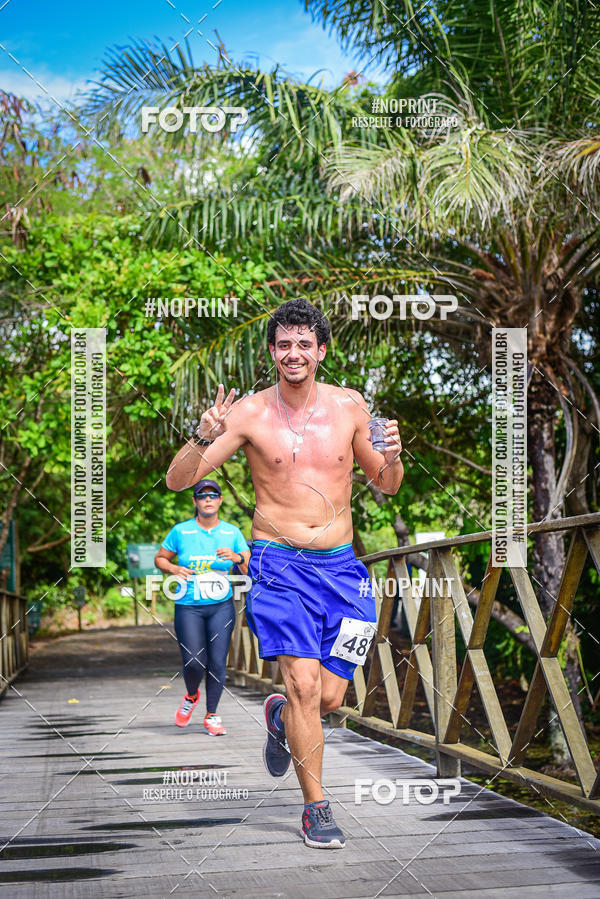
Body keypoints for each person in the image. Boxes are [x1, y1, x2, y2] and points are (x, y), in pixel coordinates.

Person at [165, 298, 403, 846]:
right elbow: (180, 481)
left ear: (320, 351)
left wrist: (393, 453)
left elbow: (387, 485)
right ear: (272, 351)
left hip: (343, 571)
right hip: (278, 564)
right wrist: (202, 435)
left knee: (328, 699)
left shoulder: (350, 407)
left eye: (304, 343)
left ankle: (279, 721)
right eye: (283, 344)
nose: (293, 353)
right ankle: (316, 808)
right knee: (301, 682)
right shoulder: (248, 414)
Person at [155, 479, 250, 736]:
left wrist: (236, 557)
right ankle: (191, 695)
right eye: (202, 495)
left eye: (213, 495)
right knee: (194, 661)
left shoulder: (232, 532)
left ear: (220, 500)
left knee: (218, 662)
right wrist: (174, 568)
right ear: (196, 501)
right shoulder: (180, 531)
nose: (208, 499)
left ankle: (212, 715)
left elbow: (247, 565)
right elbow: (160, 558)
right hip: (188, 606)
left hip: (221, 606)